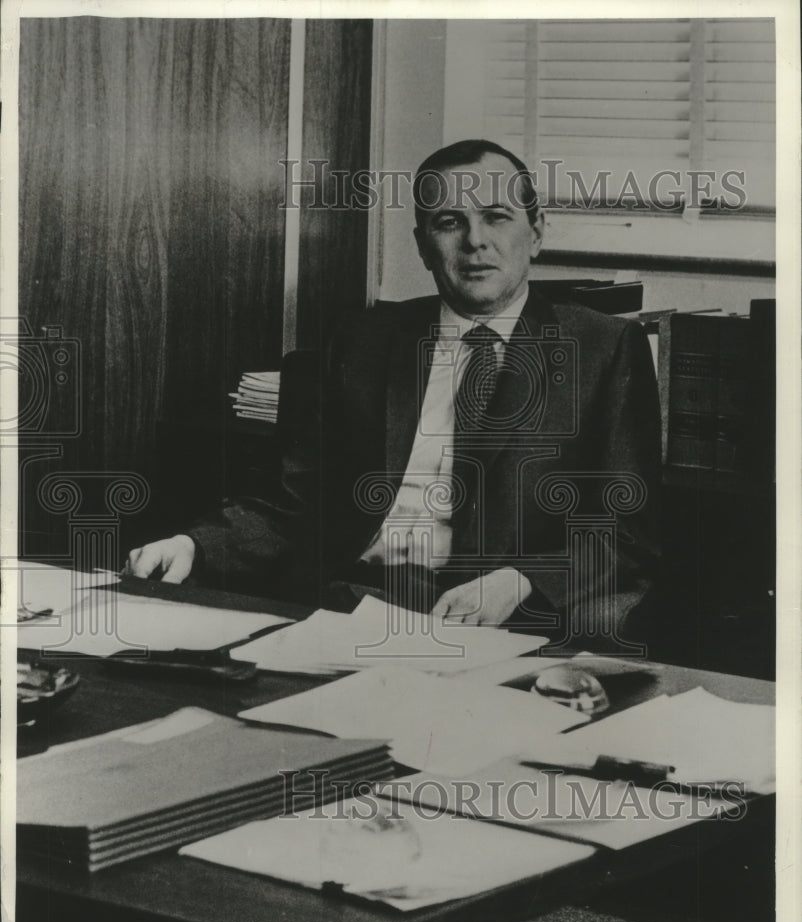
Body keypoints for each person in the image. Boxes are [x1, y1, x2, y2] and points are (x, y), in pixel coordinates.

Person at [126, 139, 661, 642]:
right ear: (423, 245)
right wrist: (192, 543)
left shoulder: (603, 348)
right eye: (450, 222)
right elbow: (296, 501)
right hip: (357, 597)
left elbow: (623, 533)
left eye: (497, 217)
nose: (475, 241)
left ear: (537, 231)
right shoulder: (364, 343)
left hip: (500, 610)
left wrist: (519, 579)